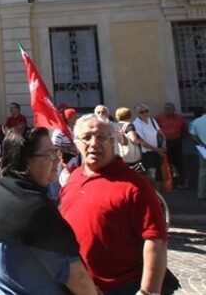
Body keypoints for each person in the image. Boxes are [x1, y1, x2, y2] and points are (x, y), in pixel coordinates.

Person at [0, 127, 98, 294]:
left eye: (56, 152)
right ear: (26, 161)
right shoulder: (35, 208)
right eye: (49, 154)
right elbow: (76, 277)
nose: (57, 159)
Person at [60, 114, 168, 294]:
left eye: (101, 137)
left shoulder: (134, 186)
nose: (93, 143)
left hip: (119, 288)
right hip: (76, 286)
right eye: (86, 138)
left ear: (113, 142)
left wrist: (149, 291)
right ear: (77, 143)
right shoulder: (73, 178)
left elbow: (156, 239)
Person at [156, 102, 189, 188]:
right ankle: (171, 182)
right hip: (165, 143)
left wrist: (180, 137)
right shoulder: (159, 118)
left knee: (179, 162)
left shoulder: (179, 118)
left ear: (174, 110)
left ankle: (181, 181)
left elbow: (185, 129)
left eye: (170, 108)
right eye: (166, 108)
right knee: (168, 162)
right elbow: (156, 130)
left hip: (177, 142)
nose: (168, 110)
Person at [132, 103, 166, 184]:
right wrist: (158, 150)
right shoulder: (136, 124)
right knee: (150, 176)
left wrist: (164, 143)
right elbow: (143, 142)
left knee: (159, 175)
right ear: (138, 114)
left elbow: (160, 133)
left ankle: (159, 194)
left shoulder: (152, 121)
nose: (144, 113)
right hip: (147, 154)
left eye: (146, 111)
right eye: (141, 112)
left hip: (158, 151)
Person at [189, 108, 206, 200]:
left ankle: (201, 194)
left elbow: (192, 135)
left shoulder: (196, 122)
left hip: (203, 149)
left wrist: (201, 144)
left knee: (203, 172)